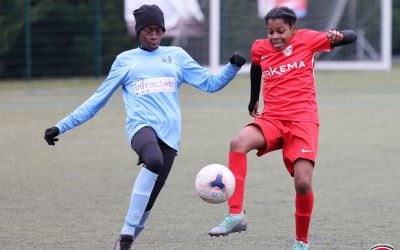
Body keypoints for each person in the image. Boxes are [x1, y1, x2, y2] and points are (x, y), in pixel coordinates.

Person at [43, 4, 246, 250]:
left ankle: (124, 243)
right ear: (138, 32)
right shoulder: (125, 60)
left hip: (171, 138)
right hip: (141, 129)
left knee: (148, 201)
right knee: (153, 160)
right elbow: (97, 100)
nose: (153, 35)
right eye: (148, 30)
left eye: (158, 30)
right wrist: (61, 126)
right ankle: (127, 232)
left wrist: (233, 67)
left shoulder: (177, 56)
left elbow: (211, 84)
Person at [208, 6, 357, 250]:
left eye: (281, 31)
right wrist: (254, 98)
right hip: (273, 119)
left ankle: (301, 242)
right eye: (271, 32)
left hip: (303, 121)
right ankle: (236, 215)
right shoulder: (260, 47)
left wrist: (337, 35)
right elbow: (256, 66)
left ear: (293, 29)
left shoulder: (308, 40)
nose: (275, 37)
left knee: (302, 183)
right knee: (238, 143)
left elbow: (352, 35)